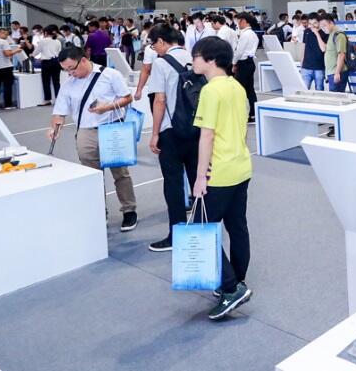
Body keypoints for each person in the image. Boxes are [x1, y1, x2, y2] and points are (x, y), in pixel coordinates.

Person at [188, 37, 254, 320]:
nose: (192, 61)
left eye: (196, 56)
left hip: (219, 172)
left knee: (201, 229)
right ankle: (237, 279)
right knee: (237, 226)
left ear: (210, 59)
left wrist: (199, 176)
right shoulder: (236, 86)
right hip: (241, 166)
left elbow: (207, 136)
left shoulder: (210, 91)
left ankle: (231, 288)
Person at [47, 46, 138, 232]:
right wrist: (55, 127)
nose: (70, 73)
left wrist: (107, 107)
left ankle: (129, 210)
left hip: (111, 128)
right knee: (93, 175)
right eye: (66, 70)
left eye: (72, 68)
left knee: (120, 173)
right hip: (85, 132)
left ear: (83, 60)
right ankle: (99, 212)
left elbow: (127, 98)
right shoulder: (68, 84)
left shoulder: (110, 75)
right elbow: (59, 112)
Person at [142, 26, 196, 253]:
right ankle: (203, 229)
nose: (154, 49)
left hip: (171, 130)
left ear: (162, 41)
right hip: (197, 128)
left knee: (173, 183)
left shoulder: (161, 63)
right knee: (199, 181)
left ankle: (177, 233)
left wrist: (155, 133)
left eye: (153, 44)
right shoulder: (195, 58)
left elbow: (160, 100)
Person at [232, 13, 259, 121]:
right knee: (250, 90)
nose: (238, 24)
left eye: (238, 21)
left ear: (243, 21)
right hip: (250, 62)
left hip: (243, 64)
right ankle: (253, 113)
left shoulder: (245, 35)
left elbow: (239, 52)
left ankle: (239, 114)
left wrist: (234, 63)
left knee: (237, 89)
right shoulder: (252, 34)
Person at [34, 26, 62, 105]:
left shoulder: (43, 41)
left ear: (45, 33)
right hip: (56, 62)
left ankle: (47, 99)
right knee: (56, 81)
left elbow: (36, 52)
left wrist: (32, 55)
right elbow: (59, 52)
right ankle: (59, 99)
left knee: (46, 81)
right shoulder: (57, 41)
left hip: (46, 62)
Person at [322, 14, 350, 92]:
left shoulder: (339, 35)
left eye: (324, 26)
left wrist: (337, 73)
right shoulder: (331, 34)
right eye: (322, 27)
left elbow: (341, 54)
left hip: (337, 73)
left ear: (331, 23)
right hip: (332, 72)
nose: (323, 29)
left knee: (336, 96)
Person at [300, 13, 327, 91]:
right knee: (304, 89)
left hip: (319, 67)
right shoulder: (306, 31)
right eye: (310, 23)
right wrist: (301, 62)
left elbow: (324, 48)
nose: (312, 26)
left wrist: (316, 33)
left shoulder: (325, 33)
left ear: (319, 22)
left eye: (315, 23)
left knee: (319, 89)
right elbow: (303, 47)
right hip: (306, 66)